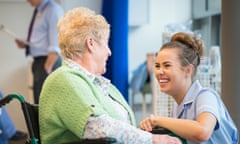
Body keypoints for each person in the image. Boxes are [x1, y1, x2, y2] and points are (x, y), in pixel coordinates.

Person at [39, 7, 182, 144]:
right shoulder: (64, 79)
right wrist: (152, 140)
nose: (109, 52)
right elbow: (98, 127)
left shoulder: (97, 84)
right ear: (91, 44)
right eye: (106, 44)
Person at [139, 32, 239, 144]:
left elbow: (202, 132)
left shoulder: (206, 96)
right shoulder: (176, 107)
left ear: (188, 70)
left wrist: (157, 120)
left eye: (167, 65)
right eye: (157, 66)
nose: (159, 72)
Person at [15, 0, 64, 104]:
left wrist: (47, 68)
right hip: (39, 63)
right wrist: (27, 44)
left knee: (45, 104)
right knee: (39, 103)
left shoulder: (52, 10)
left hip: (48, 62)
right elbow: (42, 39)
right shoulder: (40, 10)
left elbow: (56, 44)